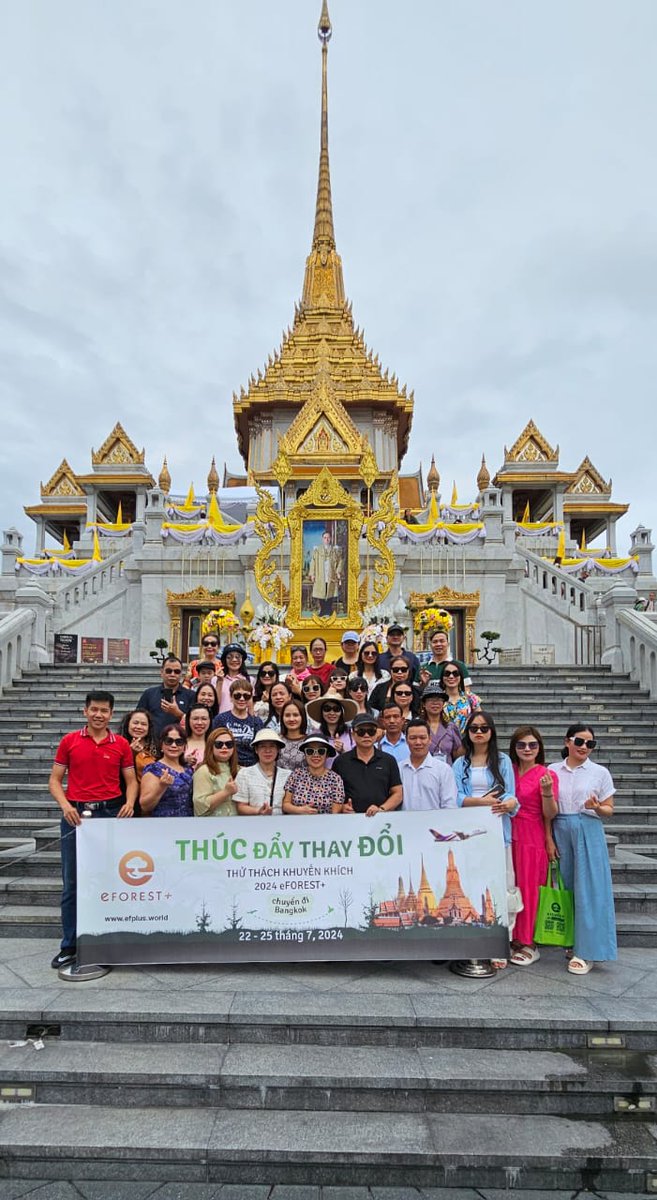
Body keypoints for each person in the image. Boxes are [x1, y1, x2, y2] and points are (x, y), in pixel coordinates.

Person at [49, 690, 137, 970]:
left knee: (110, 882)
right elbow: (54, 780)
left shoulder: (120, 744)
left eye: (105, 711)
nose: (99, 715)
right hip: (77, 816)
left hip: (110, 813)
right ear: (85, 711)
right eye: (94, 710)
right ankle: (70, 946)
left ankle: (107, 941)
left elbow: (131, 781)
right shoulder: (70, 741)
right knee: (72, 883)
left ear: (112, 714)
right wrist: (65, 805)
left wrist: (130, 803)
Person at [548, 723, 617, 976]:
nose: (584, 747)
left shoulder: (599, 772)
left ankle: (587, 950)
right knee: (565, 887)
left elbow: (609, 809)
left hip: (588, 827)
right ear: (568, 742)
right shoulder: (553, 770)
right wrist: (549, 837)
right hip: (560, 826)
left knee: (590, 888)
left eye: (590, 744)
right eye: (580, 742)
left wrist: (597, 807)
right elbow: (548, 805)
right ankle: (570, 940)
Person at [453, 711, 519, 969]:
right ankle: (473, 940)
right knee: (472, 887)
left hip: (497, 830)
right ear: (467, 733)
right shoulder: (460, 763)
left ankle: (500, 943)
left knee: (501, 886)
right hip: (469, 832)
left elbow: (511, 794)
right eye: (474, 728)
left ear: (492, 732)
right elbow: (456, 797)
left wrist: (509, 802)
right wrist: (481, 802)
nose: (479, 732)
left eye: (484, 728)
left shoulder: (501, 761)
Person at [508, 726, 559, 967]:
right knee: (512, 884)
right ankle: (513, 937)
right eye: (521, 745)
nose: (527, 749)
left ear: (539, 748)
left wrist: (547, 793)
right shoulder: (510, 770)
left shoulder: (545, 774)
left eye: (532, 745)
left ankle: (530, 942)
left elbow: (550, 814)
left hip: (532, 834)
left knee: (530, 887)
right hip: (509, 832)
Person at [333, 712, 402, 816]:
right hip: (349, 820)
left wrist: (382, 809)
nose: (366, 735)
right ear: (353, 734)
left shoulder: (388, 760)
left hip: (381, 820)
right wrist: (342, 807)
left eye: (371, 731)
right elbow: (332, 794)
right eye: (361, 731)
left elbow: (398, 793)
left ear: (376, 734)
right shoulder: (341, 761)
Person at [400, 720, 458, 809]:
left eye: (422, 738)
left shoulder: (443, 770)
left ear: (429, 739)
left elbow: (449, 805)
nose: (418, 742)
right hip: (403, 822)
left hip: (436, 822)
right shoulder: (399, 768)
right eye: (413, 738)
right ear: (406, 740)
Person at [140, 725, 194, 817]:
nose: (174, 745)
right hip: (163, 824)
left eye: (179, 742)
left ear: (184, 747)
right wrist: (161, 787)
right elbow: (145, 806)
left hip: (188, 823)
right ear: (161, 744)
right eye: (169, 741)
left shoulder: (188, 769)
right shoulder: (153, 769)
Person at [282, 735, 346, 814]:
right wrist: (300, 810)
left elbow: (335, 812)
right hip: (297, 823)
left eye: (321, 751)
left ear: (327, 755)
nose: (316, 755)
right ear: (305, 754)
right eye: (310, 751)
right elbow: (285, 805)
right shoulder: (296, 774)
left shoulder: (335, 779)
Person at [136, 656, 194, 738]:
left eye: (176, 671)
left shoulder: (191, 695)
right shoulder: (149, 694)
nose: (172, 674)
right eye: (168, 671)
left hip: (179, 743)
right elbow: (138, 718)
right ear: (162, 672)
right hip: (153, 743)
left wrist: (178, 713)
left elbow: (196, 722)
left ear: (181, 674)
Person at [235, 730, 290, 815]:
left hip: (281, 825)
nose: (267, 750)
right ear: (256, 750)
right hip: (254, 824)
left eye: (272, 746)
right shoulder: (244, 774)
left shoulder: (288, 775)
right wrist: (258, 811)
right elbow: (241, 807)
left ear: (278, 750)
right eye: (262, 746)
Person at [213, 678, 263, 766]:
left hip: (251, 768)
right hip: (226, 766)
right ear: (231, 697)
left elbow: (260, 748)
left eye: (246, 696)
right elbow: (213, 745)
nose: (242, 699)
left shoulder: (256, 722)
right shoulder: (220, 719)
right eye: (237, 695)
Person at [192, 727, 239, 817]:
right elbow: (200, 806)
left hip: (236, 826)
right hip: (211, 827)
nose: (224, 747)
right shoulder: (204, 770)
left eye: (229, 744)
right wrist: (226, 792)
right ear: (211, 747)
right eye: (219, 744)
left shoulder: (240, 770)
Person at [420, 682, 463, 765]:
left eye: (439, 699)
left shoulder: (451, 727)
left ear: (443, 703)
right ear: (424, 704)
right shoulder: (417, 727)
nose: (435, 703)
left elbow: (457, 755)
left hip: (447, 772)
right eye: (431, 699)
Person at [305, 689, 357, 755]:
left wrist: (343, 751)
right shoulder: (315, 734)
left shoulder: (350, 733)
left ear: (341, 712)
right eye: (327, 709)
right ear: (322, 712)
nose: (332, 713)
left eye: (336, 709)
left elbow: (356, 759)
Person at [309, 529, 343, 616]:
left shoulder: (335, 550)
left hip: (331, 575)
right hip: (321, 575)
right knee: (321, 593)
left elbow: (340, 561)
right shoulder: (317, 550)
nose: (326, 539)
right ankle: (323, 610)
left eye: (328, 538)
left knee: (330, 592)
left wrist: (338, 572)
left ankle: (329, 610)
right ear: (322, 539)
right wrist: (312, 574)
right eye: (325, 538)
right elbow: (313, 562)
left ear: (330, 539)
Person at [118, 709, 157, 784]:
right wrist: (131, 753)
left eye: (143, 724)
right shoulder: (118, 744)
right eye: (135, 723)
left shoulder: (157, 747)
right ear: (127, 724)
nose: (139, 727)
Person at [440, 662, 481, 735]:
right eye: (447, 673)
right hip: (443, 742)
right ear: (442, 677)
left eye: (455, 673)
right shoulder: (437, 699)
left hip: (466, 742)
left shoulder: (471, 697)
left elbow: (480, 720)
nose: (451, 676)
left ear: (461, 677)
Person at [217, 643, 250, 711]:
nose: (234, 660)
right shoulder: (216, 679)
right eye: (230, 657)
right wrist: (219, 681)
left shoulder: (249, 680)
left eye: (238, 657)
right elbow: (215, 703)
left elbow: (250, 705)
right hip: (222, 720)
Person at [278, 698, 309, 771]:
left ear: (302, 717)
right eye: (287, 715)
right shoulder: (277, 741)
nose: (291, 719)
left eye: (295, 715)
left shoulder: (309, 742)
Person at [182, 704, 212, 769]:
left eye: (204, 719)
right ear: (188, 720)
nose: (199, 723)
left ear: (210, 721)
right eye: (195, 719)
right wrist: (183, 761)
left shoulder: (216, 744)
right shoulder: (180, 743)